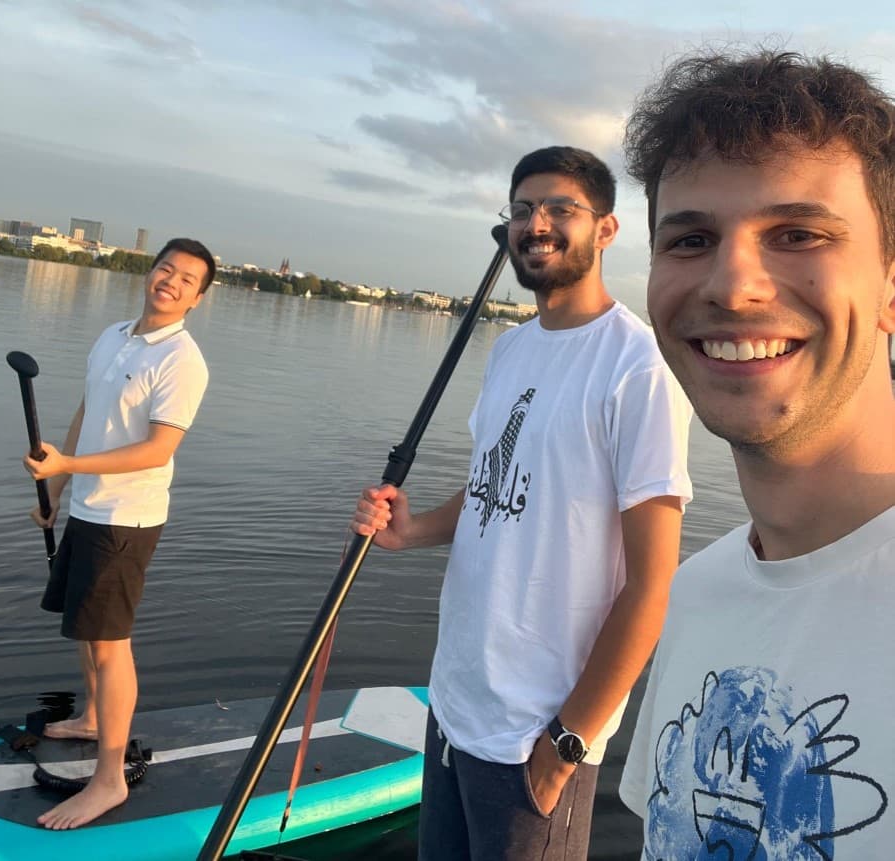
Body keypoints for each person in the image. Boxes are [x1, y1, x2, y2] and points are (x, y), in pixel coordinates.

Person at [351, 146, 693, 859]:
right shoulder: (510, 350)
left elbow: (651, 583)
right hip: (453, 703)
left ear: (605, 229)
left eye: (560, 209)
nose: (535, 224)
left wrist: (566, 741)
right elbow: (491, 488)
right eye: (520, 210)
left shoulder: (637, 367)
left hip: (536, 733)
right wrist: (411, 531)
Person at [618, 50, 895, 857]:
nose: (731, 285)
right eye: (690, 238)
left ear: (888, 284)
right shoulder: (698, 592)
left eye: (798, 233)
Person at [22, 237, 215, 830]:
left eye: (186, 280)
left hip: (125, 520)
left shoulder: (182, 360)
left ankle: (108, 782)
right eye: (166, 269)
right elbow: (88, 413)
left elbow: (159, 449)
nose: (171, 281)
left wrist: (67, 469)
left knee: (111, 646)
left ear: (198, 299)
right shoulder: (114, 335)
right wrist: (57, 490)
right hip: (86, 506)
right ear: (149, 271)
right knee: (86, 631)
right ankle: (91, 719)